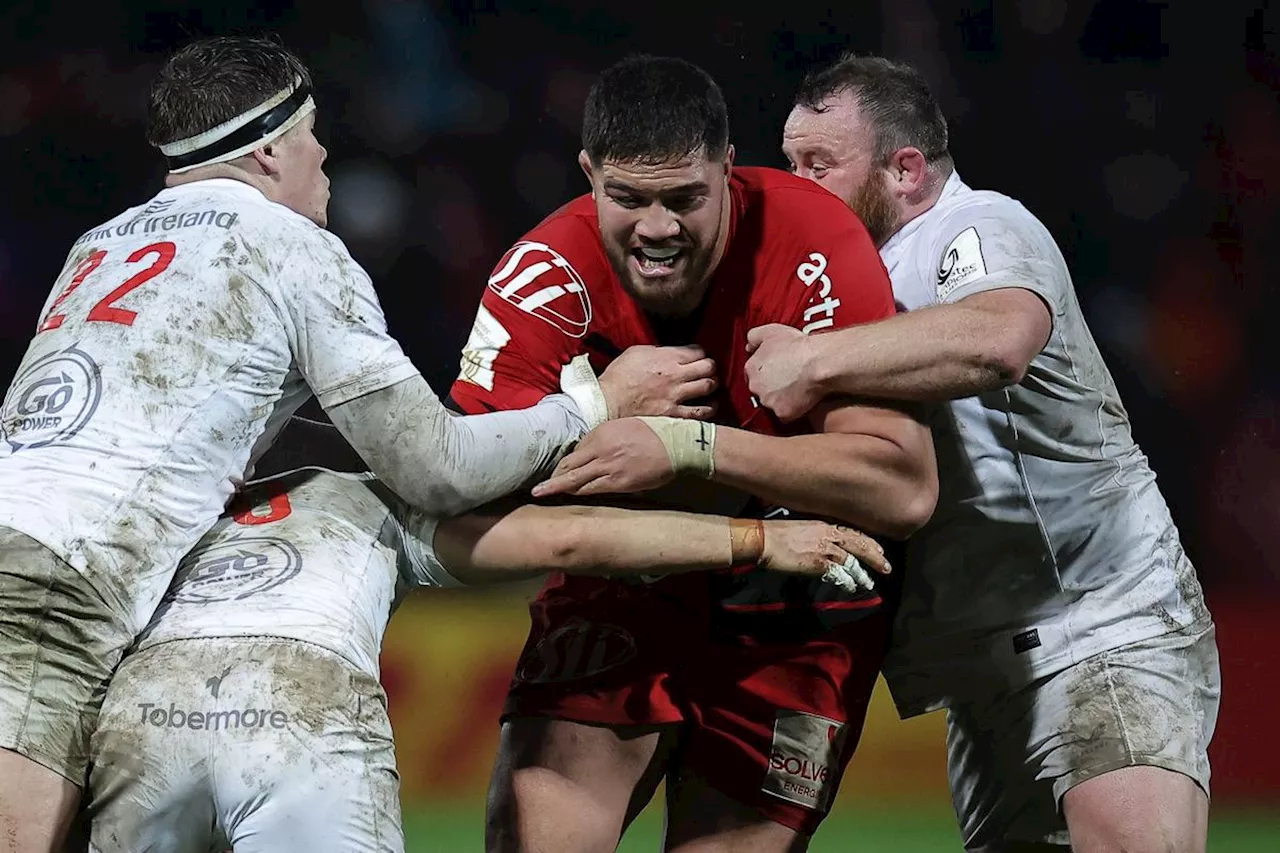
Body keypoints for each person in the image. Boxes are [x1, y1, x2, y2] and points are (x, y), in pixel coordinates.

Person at [0, 37, 704, 852]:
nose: (324, 153)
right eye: (309, 132)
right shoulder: (293, 247)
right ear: (267, 151)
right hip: (58, 590)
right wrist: (591, 404)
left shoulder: (99, 243)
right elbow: (435, 468)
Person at [447, 55, 938, 853]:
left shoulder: (813, 240)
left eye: (685, 199)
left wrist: (687, 447)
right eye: (628, 197)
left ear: (729, 170)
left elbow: (904, 489)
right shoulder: (542, 277)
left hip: (799, 606)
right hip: (620, 592)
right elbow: (466, 517)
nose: (657, 228)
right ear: (587, 175)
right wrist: (591, 415)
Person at [741, 53, 1219, 853]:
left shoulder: (977, 226)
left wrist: (812, 360)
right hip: (983, 671)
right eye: (789, 162)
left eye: (818, 164)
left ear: (906, 170)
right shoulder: (841, 276)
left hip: (1103, 623)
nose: (795, 183)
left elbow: (1000, 339)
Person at [81, 465, 887, 853]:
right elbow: (570, 536)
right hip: (304, 715)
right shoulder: (377, 492)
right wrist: (755, 536)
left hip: (146, 721)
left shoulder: (142, 501)